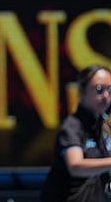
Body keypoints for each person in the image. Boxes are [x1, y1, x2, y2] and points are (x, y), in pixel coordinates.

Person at [41, 65, 111, 202]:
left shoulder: (103, 125)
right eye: (99, 89)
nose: (106, 96)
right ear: (82, 91)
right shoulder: (72, 126)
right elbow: (75, 166)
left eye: (109, 89)